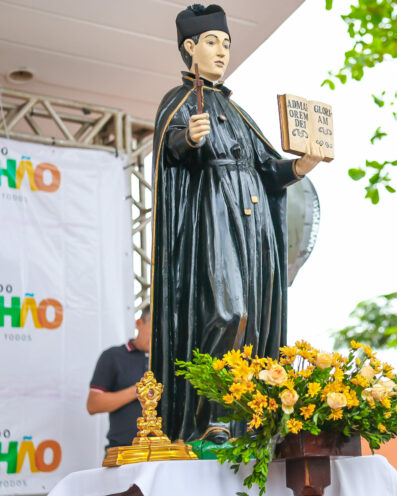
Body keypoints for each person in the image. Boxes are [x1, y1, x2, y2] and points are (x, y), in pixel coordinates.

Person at [150, 4, 322, 444]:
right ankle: (212, 416)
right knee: (228, 312)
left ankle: (248, 415)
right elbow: (170, 150)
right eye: (212, 42)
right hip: (213, 218)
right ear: (190, 47)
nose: (222, 51)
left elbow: (268, 168)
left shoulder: (238, 112)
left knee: (257, 317)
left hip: (252, 226)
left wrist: (301, 166)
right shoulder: (180, 101)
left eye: (226, 43)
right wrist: (186, 137)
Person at [87, 306, 150, 448]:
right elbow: (93, 404)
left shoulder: (172, 361)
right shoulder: (113, 356)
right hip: (123, 451)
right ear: (139, 324)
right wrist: (138, 390)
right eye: (153, 329)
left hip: (167, 453)